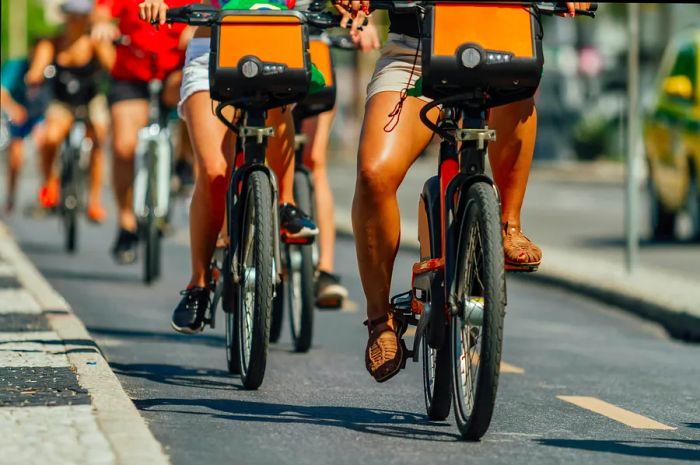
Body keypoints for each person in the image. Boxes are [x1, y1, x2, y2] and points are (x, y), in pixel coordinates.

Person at [333, 0, 591, 382]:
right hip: (417, 49)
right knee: (374, 175)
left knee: (520, 85)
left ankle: (508, 227)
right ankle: (380, 322)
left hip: (501, 37)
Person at [138, 0, 319, 334]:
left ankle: (286, 203)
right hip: (212, 49)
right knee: (213, 172)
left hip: (275, 42)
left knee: (283, 104)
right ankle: (199, 284)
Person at [91, 0, 193, 263]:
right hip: (131, 75)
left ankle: (185, 159)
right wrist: (101, 24)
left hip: (175, 70)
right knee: (123, 147)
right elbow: (102, 10)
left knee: (195, 94)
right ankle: (126, 223)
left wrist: (195, 30)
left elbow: (211, 8)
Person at [301, 19, 380, 309]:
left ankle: (326, 270)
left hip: (315, 50)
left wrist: (365, 21)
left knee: (314, 159)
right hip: (262, 48)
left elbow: (355, 8)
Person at [25, 0, 112, 223]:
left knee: (99, 138)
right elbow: (37, 69)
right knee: (51, 138)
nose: (76, 21)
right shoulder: (52, 43)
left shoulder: (94, 42)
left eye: (81, 16)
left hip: (90, 100)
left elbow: (113, 65)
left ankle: (94, 200)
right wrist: (35, 75)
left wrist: (105, 42)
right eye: (72, 15)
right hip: (62, 102)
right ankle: (50, 183)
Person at [0, 54, 47, 215]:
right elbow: (2, 92)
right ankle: (11, 197)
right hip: (20, 114)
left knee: (46, 147)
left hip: (40, 114)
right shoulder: (16, 67)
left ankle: (46, 197)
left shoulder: (52, 66)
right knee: (16, 155)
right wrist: (13, 108)